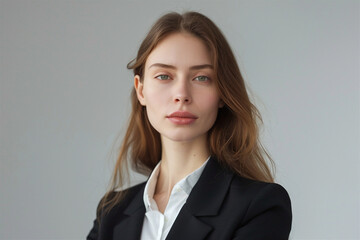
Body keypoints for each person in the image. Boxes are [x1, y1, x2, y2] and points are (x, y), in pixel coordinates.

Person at [87, 11, 292, 240]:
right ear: (141, 90)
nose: (182, 95)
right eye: (164, 76)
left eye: (201, 78)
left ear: (222, 92)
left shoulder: (260, 207)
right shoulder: (111, 213)